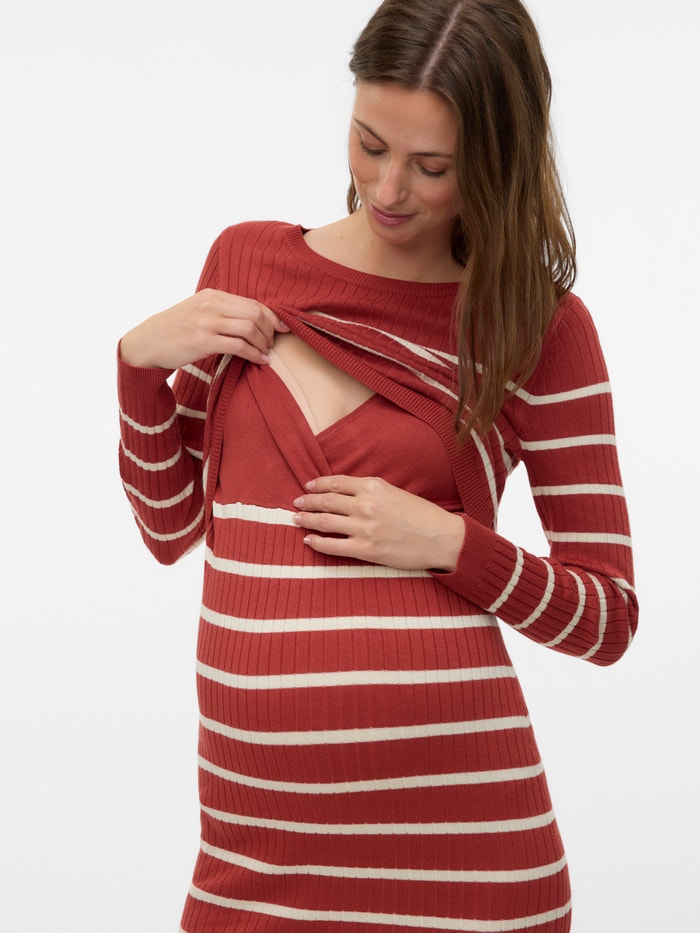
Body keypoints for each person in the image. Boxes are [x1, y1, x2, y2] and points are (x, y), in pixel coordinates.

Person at [117, 1, 637, 930]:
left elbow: (608, 618)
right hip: (255, 850)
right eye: (370, 145)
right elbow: (169, 528)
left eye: (432, 166)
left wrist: (453, 544)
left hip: (467, 859)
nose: (389, 188)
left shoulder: (537, 326)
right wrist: (138, 368)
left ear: (497, 161)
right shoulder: (247, 262)